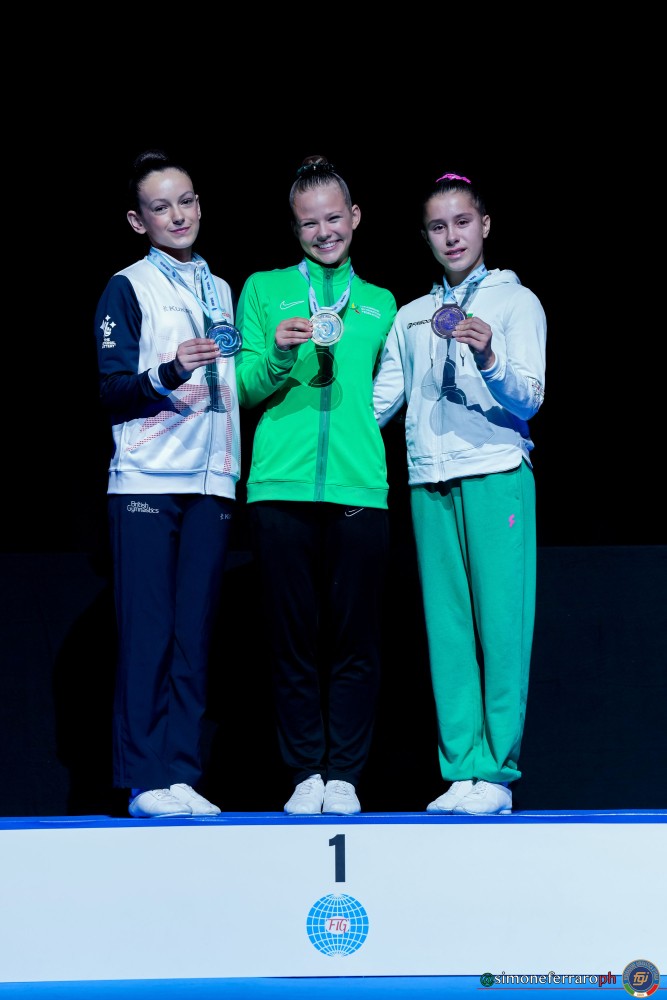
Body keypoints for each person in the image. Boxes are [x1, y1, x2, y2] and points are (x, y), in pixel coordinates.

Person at [373, 171, 547, 816]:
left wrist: (492, 356)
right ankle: (462, 769)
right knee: (446, 631)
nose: (452, 237)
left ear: (485, 225)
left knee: (501, 628)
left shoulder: (516, 302)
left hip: (497, 471)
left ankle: (496, 772)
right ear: (426, 236)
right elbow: (381, 401)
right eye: (438, 227)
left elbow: (530, 398)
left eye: (463, 223)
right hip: (430, 479)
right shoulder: (412, 317)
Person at [235, 154, 397, 815]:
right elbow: (242, 388)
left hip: (359, 489)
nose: (323, 232)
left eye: (333, 218)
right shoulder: (263, 288)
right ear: (295, 227)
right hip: (279, 487)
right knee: (292, 641)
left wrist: (358, 431)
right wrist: (277, 352)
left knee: (356, 643)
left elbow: (385, 392)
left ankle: (346, 775)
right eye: (309, 223)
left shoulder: (381, 303)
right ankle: (305, 772)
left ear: (354, 217)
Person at [94, 149, 242, 818]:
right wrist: (169, 370)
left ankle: (181, 771)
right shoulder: (127, 288)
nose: (177, 216)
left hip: (212, 480)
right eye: (160, 207)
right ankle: (143, 779)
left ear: (199, 205)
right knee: (148, 635)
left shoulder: (220, 289)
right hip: (147, 479)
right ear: (138, 220)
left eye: (185, 201)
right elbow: (112, 390)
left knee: (193, 637)